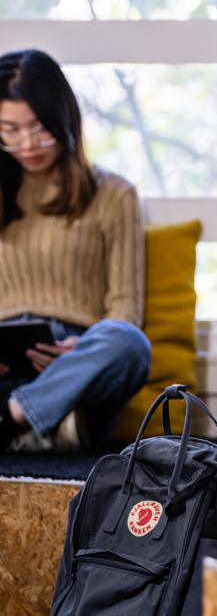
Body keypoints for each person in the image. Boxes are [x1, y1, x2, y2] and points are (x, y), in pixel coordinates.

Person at [0, 49, 152, 452]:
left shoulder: (114, 194)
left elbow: (125, 307)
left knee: (129, 343)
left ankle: (12, 419)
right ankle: (47, 427)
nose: (27, 144)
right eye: (9, 131)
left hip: (79, 360)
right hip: (6, 360)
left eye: (40, 128)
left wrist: (77, 352)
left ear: (64, 119)